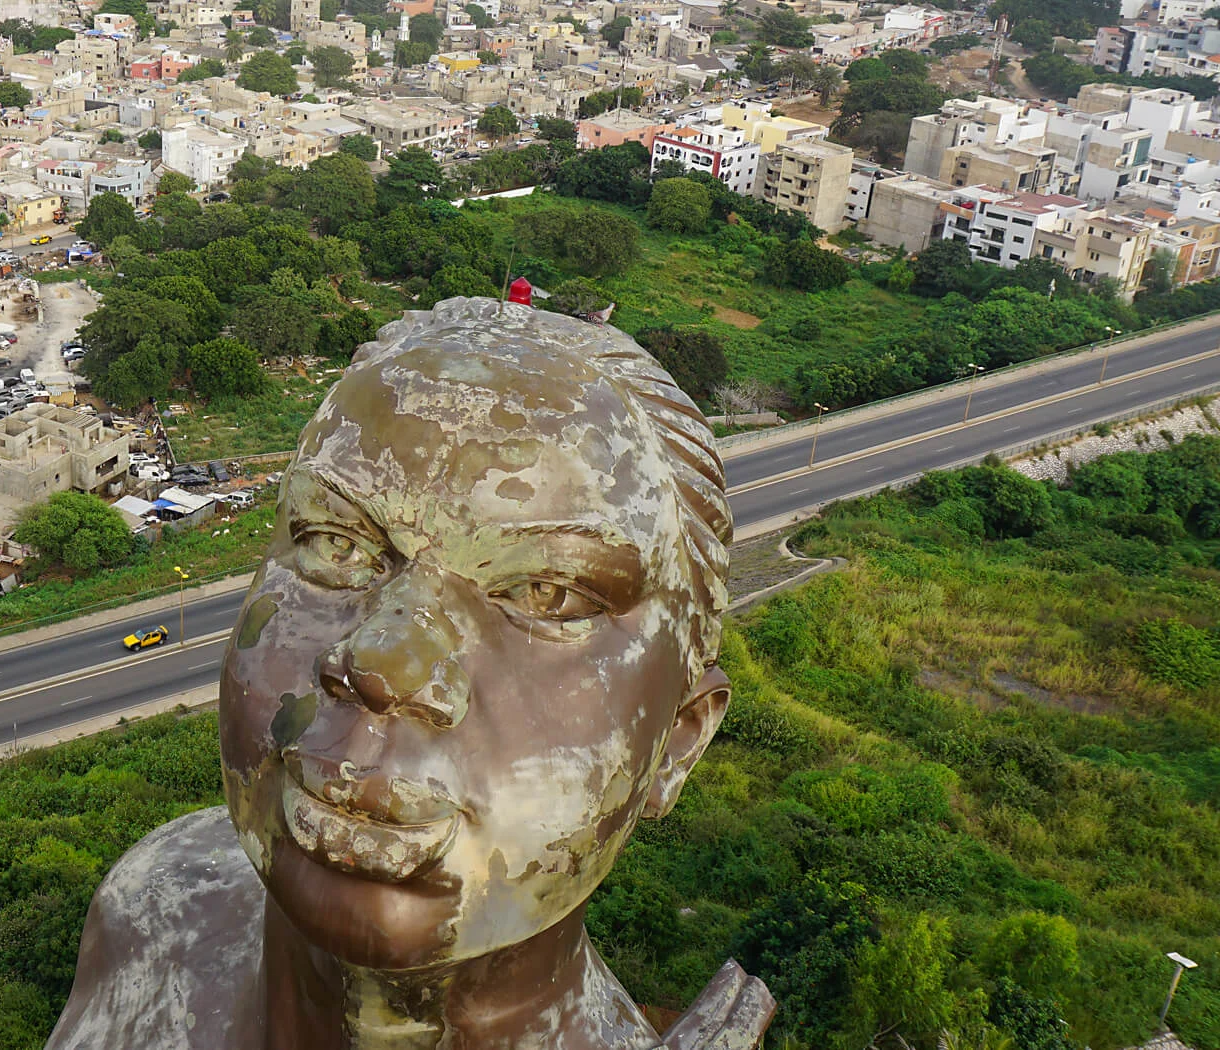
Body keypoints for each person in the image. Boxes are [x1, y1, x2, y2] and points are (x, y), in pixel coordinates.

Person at [46, 298, 766, 1050]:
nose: (380, 665)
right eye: (335, 543)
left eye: (546, 594)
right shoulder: (154, 911)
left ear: (678, 739)